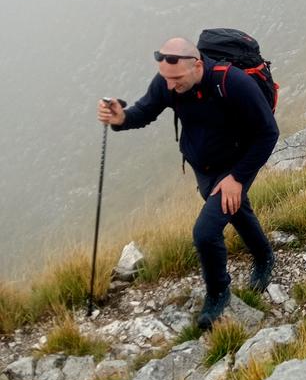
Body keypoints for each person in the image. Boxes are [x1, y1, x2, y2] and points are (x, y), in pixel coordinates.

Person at [97, 38, 279, 329]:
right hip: (203, 166)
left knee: (205, 233)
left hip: (236, 165)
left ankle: (218, 293)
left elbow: (268, 132)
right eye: (166, 79)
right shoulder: (169, 79)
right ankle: (264, 255)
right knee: (234, 210)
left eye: (177, 79)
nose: (170, 86)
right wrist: (121, 118)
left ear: (197, 65)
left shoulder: (232, 83)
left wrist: (237, 178)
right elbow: (145, 111)